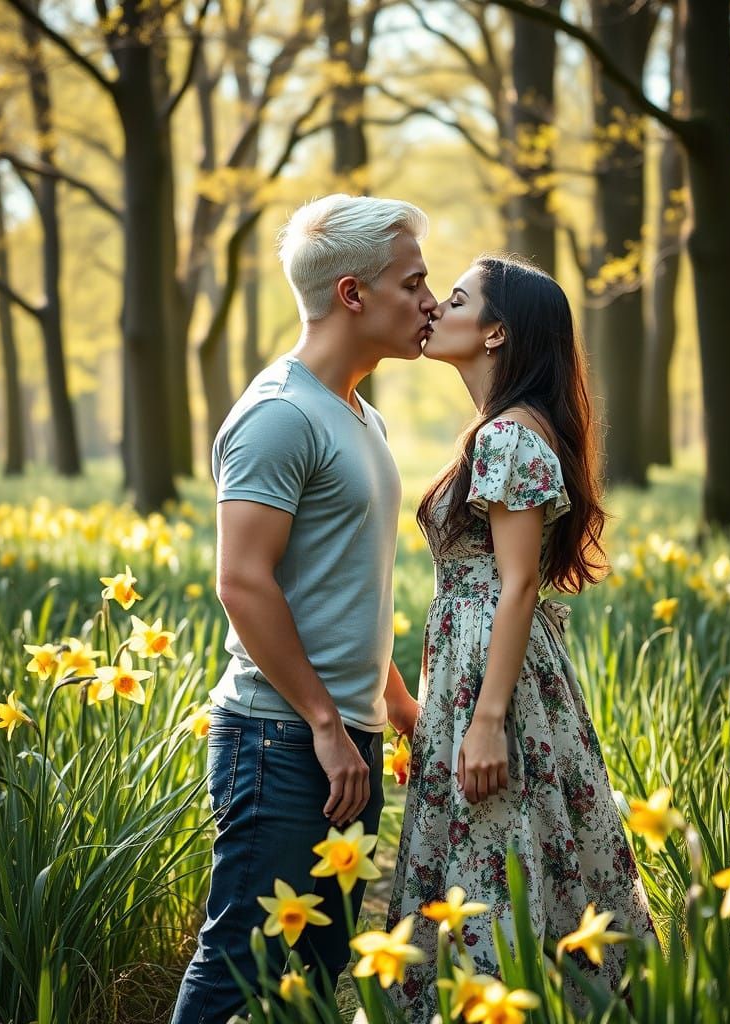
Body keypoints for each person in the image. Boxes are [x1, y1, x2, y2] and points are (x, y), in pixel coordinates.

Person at [171, 194, 434, 1024]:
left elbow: (341, 584)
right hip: (277, 739)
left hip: (338, 738)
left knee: (319, 980)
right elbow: (243, 582)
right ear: (353, 294)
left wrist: (394, 707)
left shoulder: (362, 415)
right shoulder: (280, 415)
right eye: (413, 282)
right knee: (236, 966)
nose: (431, 300)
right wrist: (324, 722)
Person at [387, 254, 654, 1018]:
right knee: (524, 848)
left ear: (497, 332)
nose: (436, 306)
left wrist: (486, 720)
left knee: (497, 856)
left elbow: (517, 584)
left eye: (458, 298)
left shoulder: (506, 437)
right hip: (493, 673)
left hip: (498, 682)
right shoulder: (506, 428)